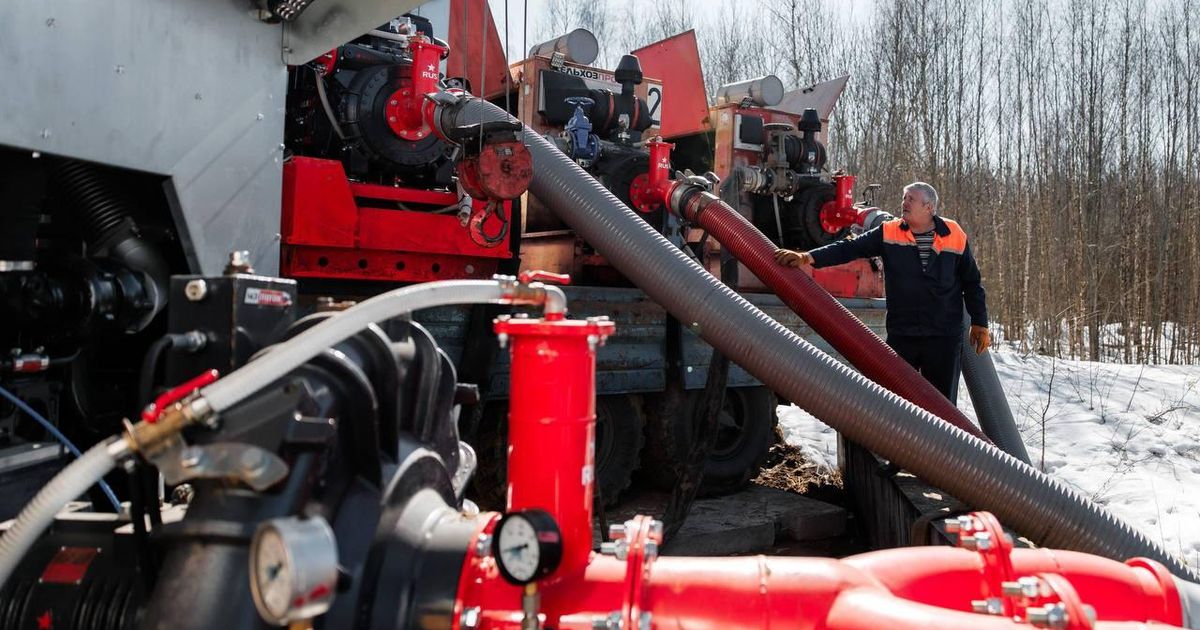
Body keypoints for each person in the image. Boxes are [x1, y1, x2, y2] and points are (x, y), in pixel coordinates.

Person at [774, 182, 990, 404]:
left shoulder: (953, 233)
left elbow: (972, 282)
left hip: (943, 336)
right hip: (903, 334)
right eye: (904, 198)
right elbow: (849, 248)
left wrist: (980, 323)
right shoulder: (889, 231)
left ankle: (941, 440)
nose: (903, 203)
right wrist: (808, 258)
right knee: (896, 402)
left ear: (928, 207)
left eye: (910, 199)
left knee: (942, 405)